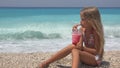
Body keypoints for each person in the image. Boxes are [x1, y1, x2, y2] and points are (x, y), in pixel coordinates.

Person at [39, 7, 104, 68]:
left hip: (96, 59)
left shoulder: (95, 32)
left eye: (83, 19)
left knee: (75, 50)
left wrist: (83, 48)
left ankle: (46, 63)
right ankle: (47, 62)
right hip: (88, 55)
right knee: (73, 47)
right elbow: (78, 45)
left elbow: (96, 52)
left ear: (91, 21)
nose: (80, 22)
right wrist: (78, 33)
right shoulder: (83, 29)